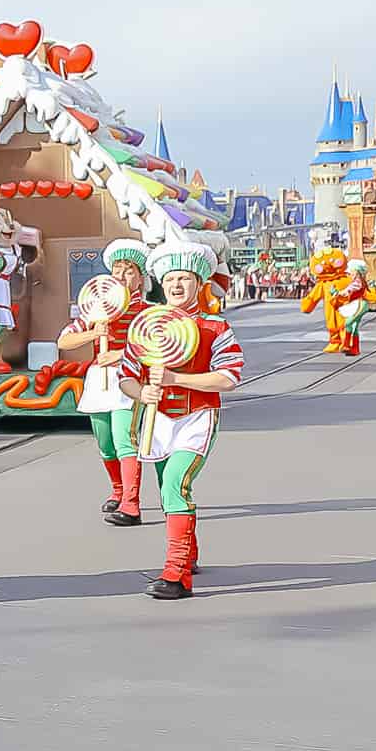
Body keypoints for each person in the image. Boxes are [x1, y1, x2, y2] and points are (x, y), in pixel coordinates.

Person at [118, 243, 244, 600]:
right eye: (170, 278)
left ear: (198, 283)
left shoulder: (214, 326)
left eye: (184, 278)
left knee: (175, 483)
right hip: (158, 422)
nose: (176, 285)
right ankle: (189, 552)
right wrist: (141, 393)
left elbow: (229, 377)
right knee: (169, 490)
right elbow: (127, 373)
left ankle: (176, 575)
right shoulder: (147, 325)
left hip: (197, 418)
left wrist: (176, 379)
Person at [57, 239, 151, 525]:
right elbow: (64, 340)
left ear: (141, 277)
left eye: (129, 271)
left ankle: (131, 506)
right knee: (106, 444)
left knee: (126, 441)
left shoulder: (148, 311)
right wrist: (94, 332)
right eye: (117, 270)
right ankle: (118, 490)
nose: (122, 276)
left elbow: (158, 346)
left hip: (129, 379)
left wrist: (122, 353)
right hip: (99, 380)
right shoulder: (96, 309)